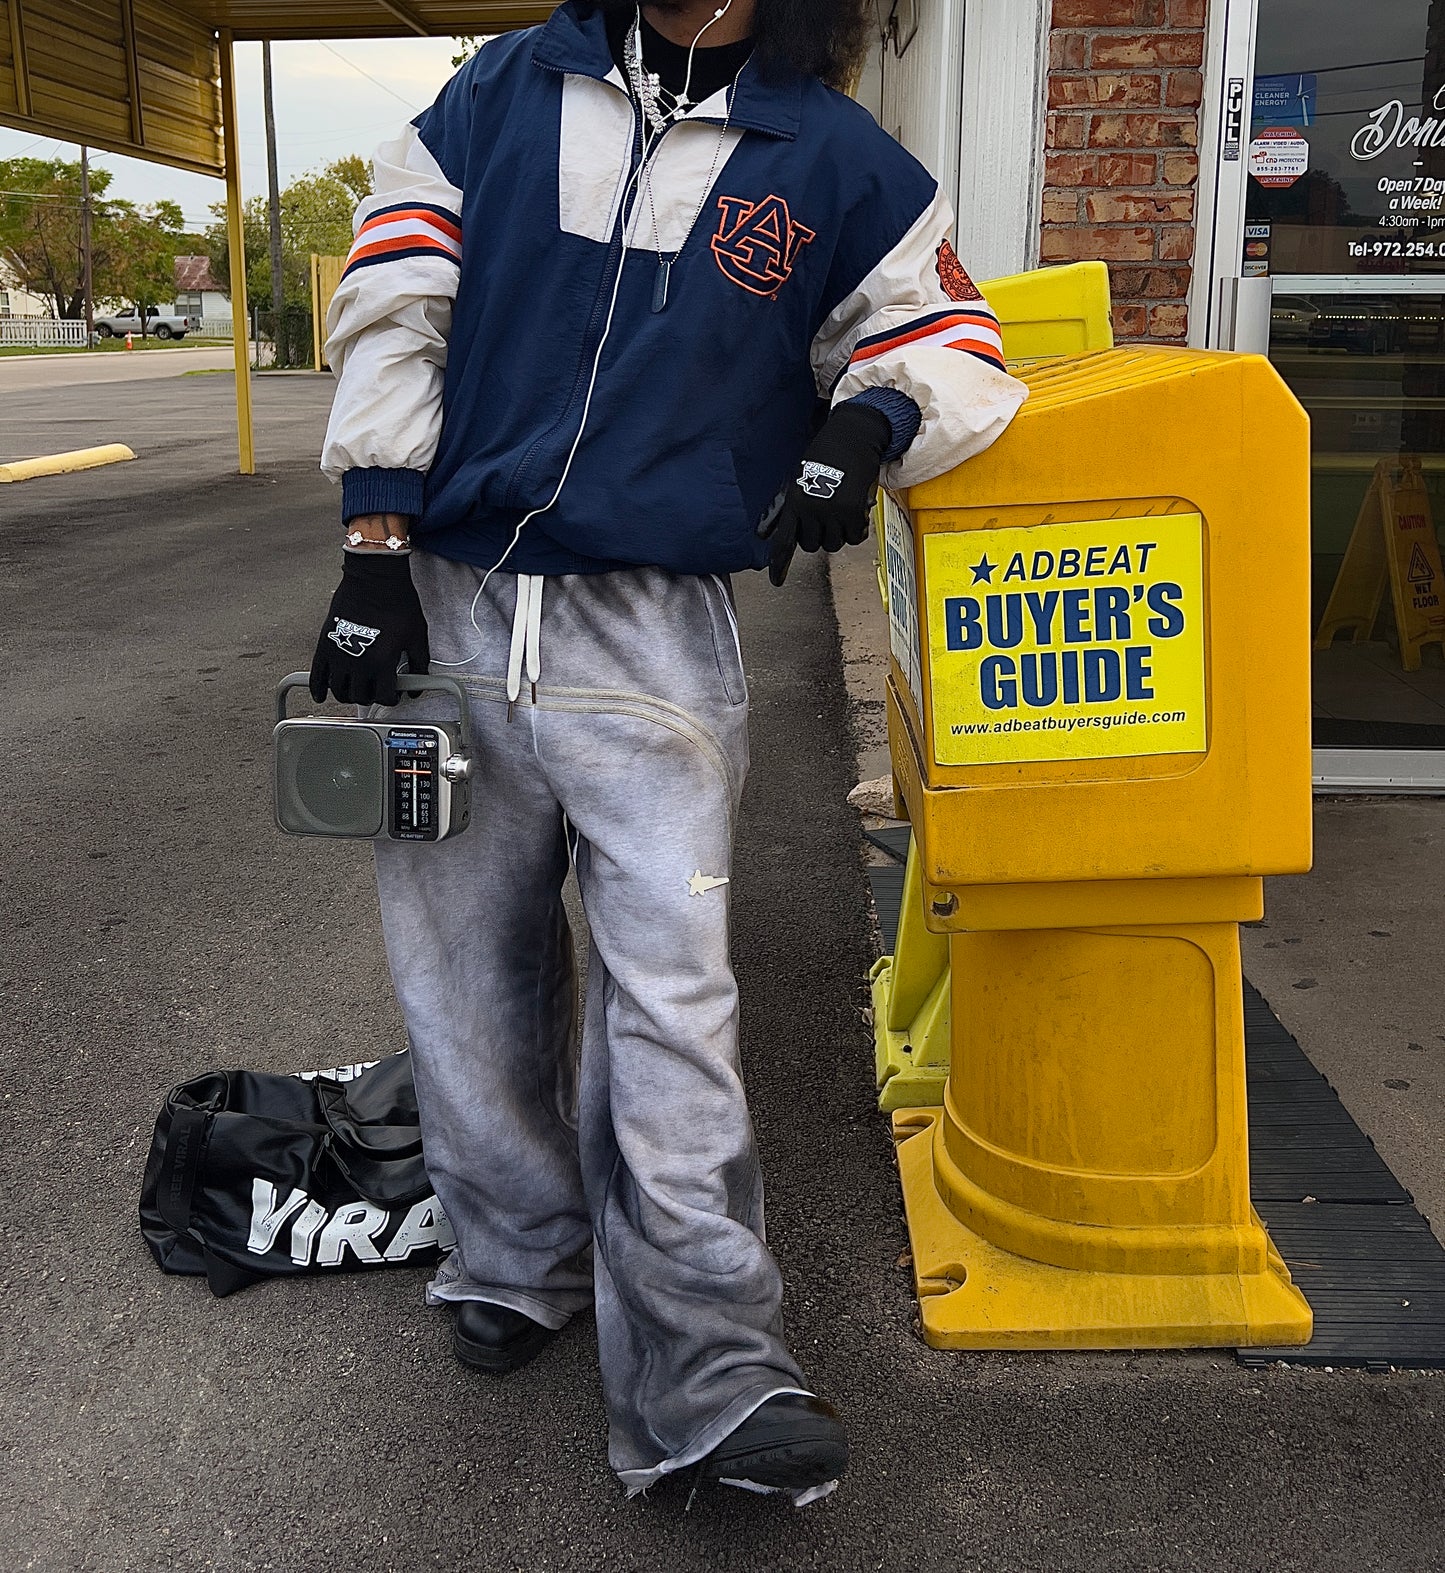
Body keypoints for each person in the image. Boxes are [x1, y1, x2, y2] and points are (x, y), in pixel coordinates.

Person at [310, 0, 1025, 1504]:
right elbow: (394, 294)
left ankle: (710, 1374)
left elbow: (950, 338)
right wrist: (373, 544)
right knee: (458, 970)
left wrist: (872, 419)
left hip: (651, 638)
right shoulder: (499, 90)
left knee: (673, 1004)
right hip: (447, 600)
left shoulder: (837, 161)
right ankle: (512, 1258)